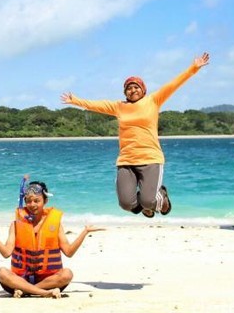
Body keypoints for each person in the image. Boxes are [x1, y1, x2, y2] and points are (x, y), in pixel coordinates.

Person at [60, 52, 210, 218]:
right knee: (126, 204)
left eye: (136, 87)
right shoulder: (119, 106)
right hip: (127, 160)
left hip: (150, 159)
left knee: (148, 201)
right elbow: (96, 105)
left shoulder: (153, 100)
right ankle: (146, 202)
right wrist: (75, 100)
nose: (133, 90)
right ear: (125, 92)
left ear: (143, 89)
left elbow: (174, 84)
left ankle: (161, 197)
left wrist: (194, 68)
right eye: (129, 88)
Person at [0, 178, 104, 298]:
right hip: (21, 278)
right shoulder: (16, 225)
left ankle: (27, 291)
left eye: (37, 201)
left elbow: (69, 252)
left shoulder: (55, 225)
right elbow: (6, 253)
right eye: (28, 201)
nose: (32, 204)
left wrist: (85, 232)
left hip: (47, 280)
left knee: (67, 274)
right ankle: (43, 293)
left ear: (45, 201)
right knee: (1, 272)